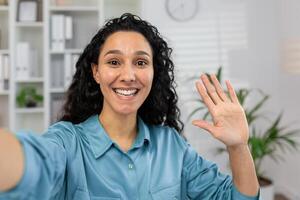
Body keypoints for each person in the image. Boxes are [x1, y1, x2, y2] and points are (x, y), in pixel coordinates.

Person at [0, 13, 260, 200]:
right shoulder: (67, 143)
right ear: (96, 72)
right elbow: (31, 165)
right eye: (114, 62)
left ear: (153, 73)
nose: (128, 75)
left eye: (140, 62)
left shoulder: (172, 146)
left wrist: (238, 147)